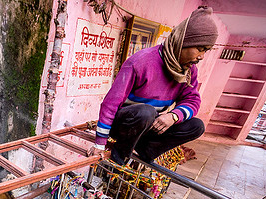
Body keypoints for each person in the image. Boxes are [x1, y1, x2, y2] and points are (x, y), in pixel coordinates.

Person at [88, 6, 218, 165]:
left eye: (206, 51)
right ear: (183, 42)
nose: (202, 56)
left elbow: (192, 101)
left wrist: (173, 116)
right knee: (146, 111)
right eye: (200, 49)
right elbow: (111, 104)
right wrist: (99, 143)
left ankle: (146, 150)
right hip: (125, 125)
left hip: (149, 125)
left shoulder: (189, 71)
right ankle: (120, 152)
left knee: (196, 126)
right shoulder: (140, 62)